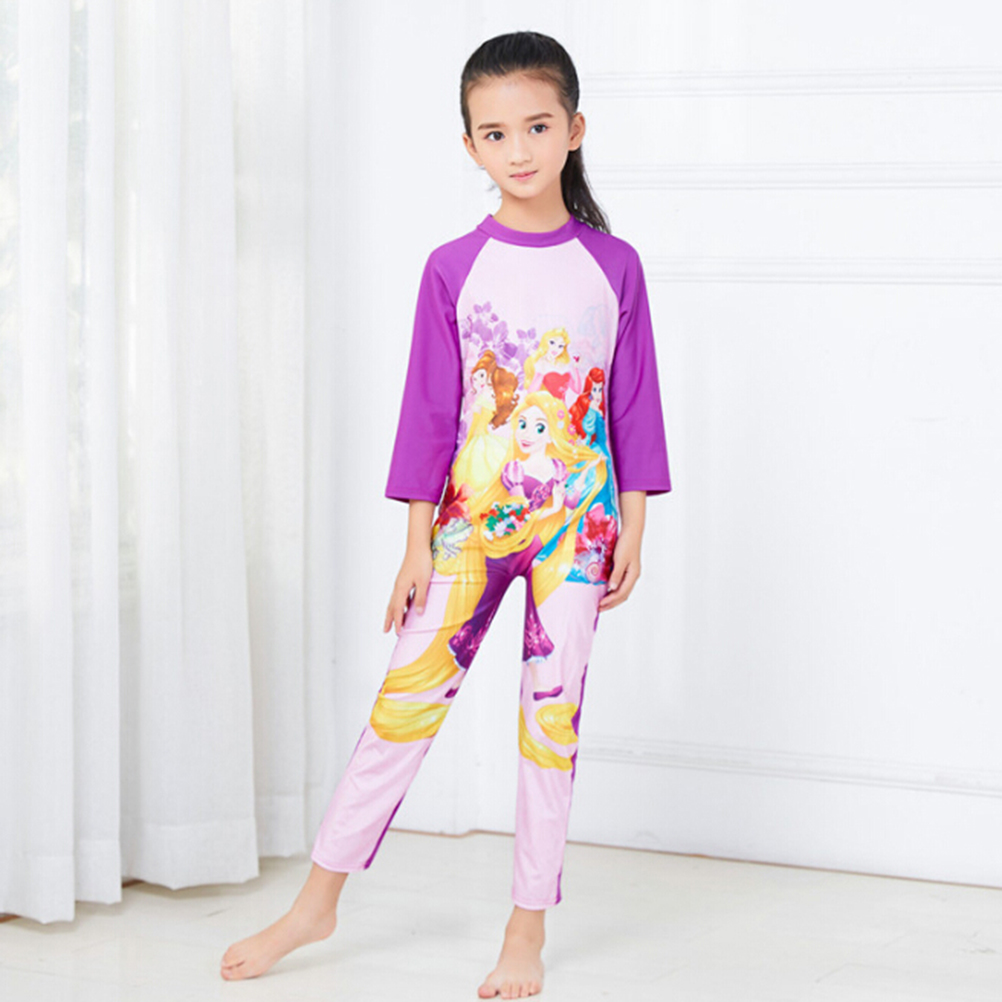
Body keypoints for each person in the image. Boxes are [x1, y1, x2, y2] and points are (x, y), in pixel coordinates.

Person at [220, 29, 671, 999]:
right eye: (495, 134)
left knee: (551, 725)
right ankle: (315, 905)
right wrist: (415, 544)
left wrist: (635, 522)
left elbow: (633, 401)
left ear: (575, 130)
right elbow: (430, 408)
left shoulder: (615, 265)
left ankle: (525, 929)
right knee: (402, 708)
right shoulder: (452, 267)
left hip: (579, 531)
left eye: (538, 127)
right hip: (467, 526)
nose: (518, 150)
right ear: (469, 146)